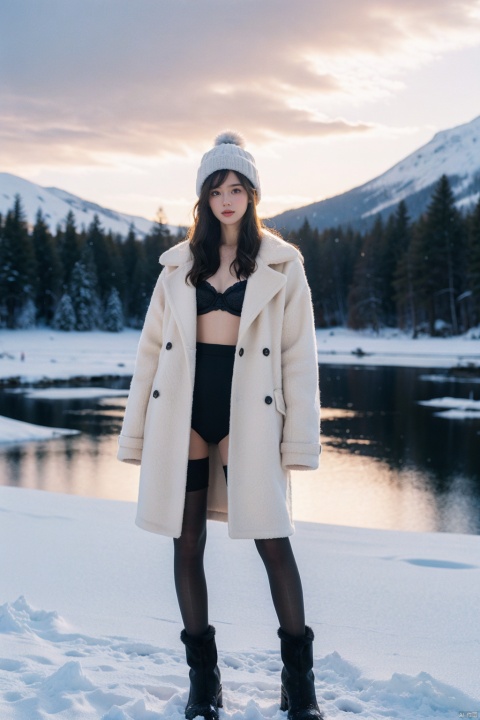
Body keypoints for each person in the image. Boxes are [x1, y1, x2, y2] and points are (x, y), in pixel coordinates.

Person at [117, 132, 323, 720]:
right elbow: (150, 353)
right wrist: (134, 433)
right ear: (203, 199)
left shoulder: (283, 264)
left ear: (252, 195)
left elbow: (298, 356)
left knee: (272, 542)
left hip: (249, 415)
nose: (227, 199)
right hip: (182, 410)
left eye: (237, 188)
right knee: (187, 543)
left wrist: (300, 442)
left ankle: (298, 683)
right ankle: (203, 683)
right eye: (216, 189)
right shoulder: (178, 266)